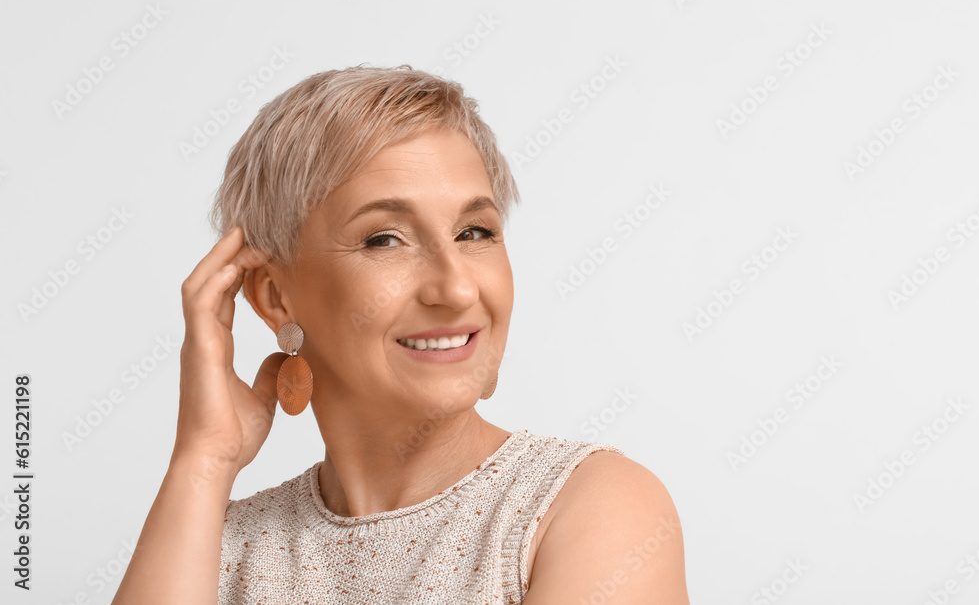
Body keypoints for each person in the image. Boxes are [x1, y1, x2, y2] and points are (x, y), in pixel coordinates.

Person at [111, 65, 689, 604]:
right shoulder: (213, 551)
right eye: (383, 239)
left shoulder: (589, 508)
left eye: (474, 231)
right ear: (274, 296)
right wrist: (204, 461)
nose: (457, 290)